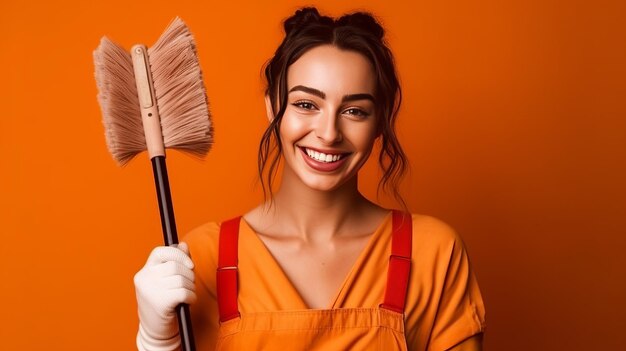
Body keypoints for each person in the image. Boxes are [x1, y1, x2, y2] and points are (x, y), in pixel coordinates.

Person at [133, 7, 486, 351]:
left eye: (354, 111)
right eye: (306, 104)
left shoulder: (433, 253)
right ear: (273, 106)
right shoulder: (204, 258)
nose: (329, 133)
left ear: (380, 121)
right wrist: (156, 342)